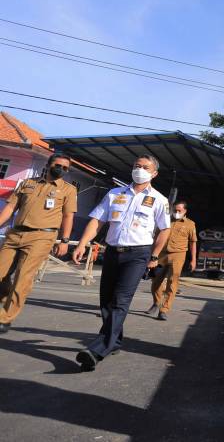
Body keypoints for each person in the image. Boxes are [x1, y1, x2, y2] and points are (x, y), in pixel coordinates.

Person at [72, 155, 170, 371]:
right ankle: (114, 341)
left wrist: (154, 255)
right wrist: (81, 244)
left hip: (138, 254)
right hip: (112, 252)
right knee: (106, 300)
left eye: (145, 167)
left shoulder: (159, 200)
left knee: (120, 300)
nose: (140, 169)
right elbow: (97, 220)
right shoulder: (114, 194)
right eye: (137, 165)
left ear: (154, 174)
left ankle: (97, 350)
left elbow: (164, 229)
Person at [0, 153, 77, 333]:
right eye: (58, 165)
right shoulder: (28, 183)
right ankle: (5, 300)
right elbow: (11, 207)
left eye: (66, 168)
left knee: (23, 276)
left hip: (41, 237)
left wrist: (64, 240)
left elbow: (68, 216)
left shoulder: (68, 190)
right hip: (15, 234)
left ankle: (6, 317)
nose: (61, 170)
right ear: (49, 165)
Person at [146, 200, 197, 321]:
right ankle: (156, 302)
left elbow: (193, 243)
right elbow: (156, 238)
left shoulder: (190, 224)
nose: (176, 212)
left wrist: (193, 260)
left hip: (178, 255)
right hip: (161, 255)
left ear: (185, 211)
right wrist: (152, 255)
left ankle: (164, 310)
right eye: (175, 210)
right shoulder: (165, 220)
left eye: (179, 210)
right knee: (155, 282)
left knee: (172, 283)